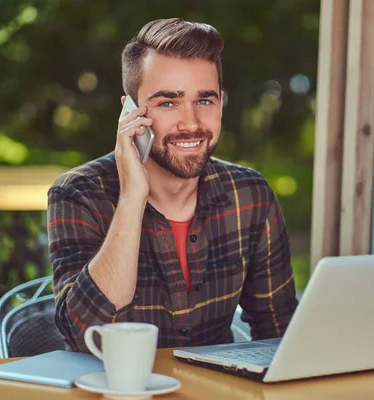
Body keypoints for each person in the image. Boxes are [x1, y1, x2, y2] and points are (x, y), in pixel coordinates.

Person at [47, 18, 298, 352]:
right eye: (168, 103)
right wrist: (133, 196)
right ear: (130, 114)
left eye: (204, 101)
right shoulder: (78, 194)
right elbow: (87, 337)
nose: (191, 122)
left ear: (221, 103)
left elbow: (278, 332)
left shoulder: (250, 195)